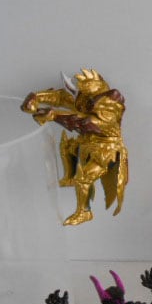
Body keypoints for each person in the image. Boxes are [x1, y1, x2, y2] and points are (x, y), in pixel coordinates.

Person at [21, 68, 128, 225]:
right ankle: (69, 178)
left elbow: (87, 123)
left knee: (83, 179)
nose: (82, 93)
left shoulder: (109, 106)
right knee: (68, 147)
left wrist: (53, 115)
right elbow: (61, 98)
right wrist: (35, 98)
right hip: (87, 143)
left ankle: (84, 211)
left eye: (87, 88)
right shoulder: (85, 100)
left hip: (106, 149)